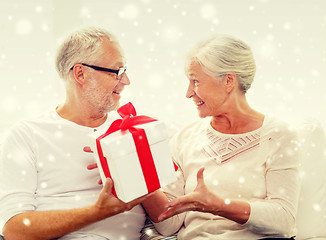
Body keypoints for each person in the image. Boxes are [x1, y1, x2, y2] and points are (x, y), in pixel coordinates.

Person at [0, 26, 174, 240]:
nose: (126, 81)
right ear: (80, 73)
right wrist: (97, 212)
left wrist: (136, 171)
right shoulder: (27, 134)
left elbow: (168, 226)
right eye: (117, 71)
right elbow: (15, 230)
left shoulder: (129, 130)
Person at [154, 35, 301, 239]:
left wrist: (220, 206)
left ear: (229, 81)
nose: (188, 93)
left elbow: (284, 220)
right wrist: (138, 180)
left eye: (195, 81)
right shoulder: (184, 138)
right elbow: (168, 224)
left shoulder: (278, 136)